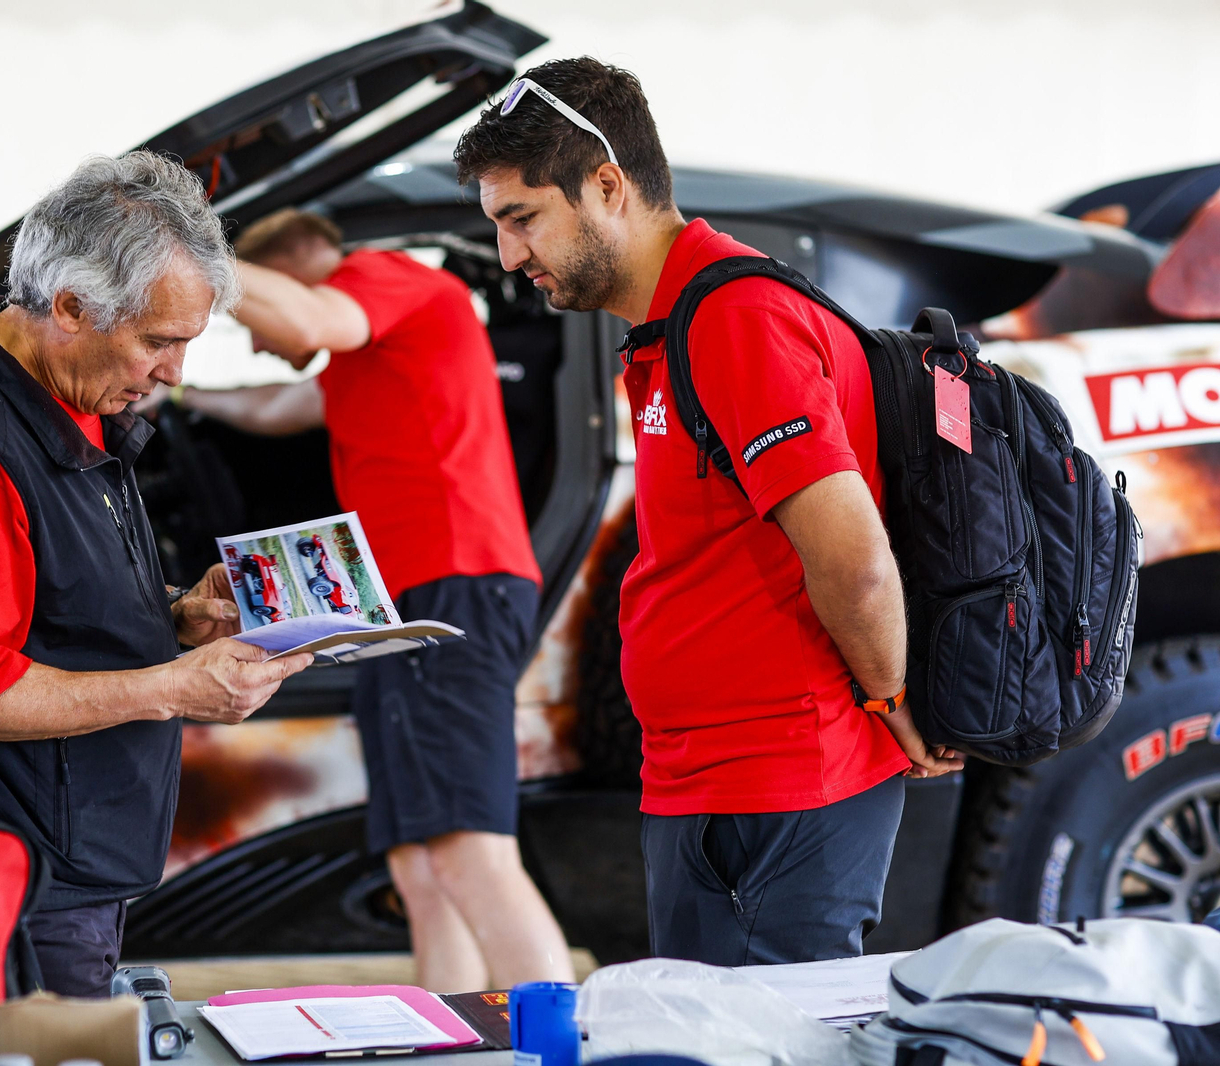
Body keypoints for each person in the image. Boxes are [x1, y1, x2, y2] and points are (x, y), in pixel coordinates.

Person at [454, 58, 965, 966]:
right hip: (710, 787)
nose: (508, 257)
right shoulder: (675, 325)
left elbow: (853, 559)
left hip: (779, 792)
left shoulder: (735, 319)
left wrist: (890, 698)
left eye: (520, 218)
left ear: (606, 185)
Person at [0, 152, 312, 997]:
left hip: (60, 873)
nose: (174, 373)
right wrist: (177, 686)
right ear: (69, 306)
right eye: (159, 342)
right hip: (6, 895)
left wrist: (175, 614)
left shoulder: (64, 390)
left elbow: (46, 605)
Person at [166, 208, 573, 992]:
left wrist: (183, 248)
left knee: (468, 850)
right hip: (401, 606)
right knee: (419, 863)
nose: (255, 340)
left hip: (453, 587)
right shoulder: (371, 353)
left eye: (248, 312)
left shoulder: (386, 281)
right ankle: (454, 1043)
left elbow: (312, 317)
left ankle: (557, 1044)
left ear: (298, 264)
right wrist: (184, 404)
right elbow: (279, 409)